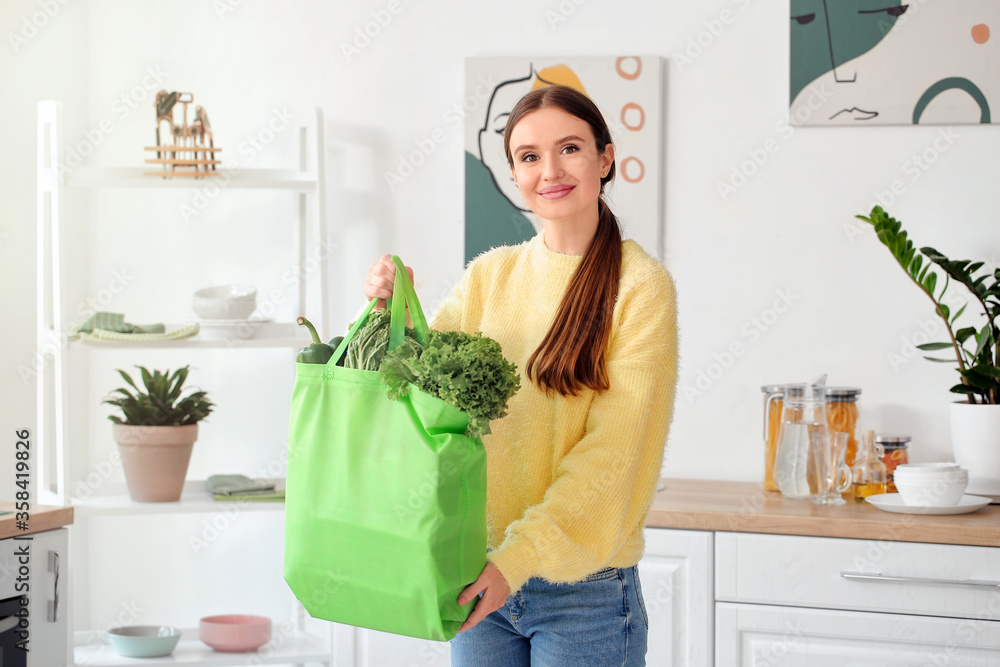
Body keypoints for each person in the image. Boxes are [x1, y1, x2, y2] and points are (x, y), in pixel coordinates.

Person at [364, 84, 678, 666]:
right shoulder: (491, 274)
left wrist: (516, 560)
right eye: (529, 156)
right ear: (513, 173)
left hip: (585, 595)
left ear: (605, 158)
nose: (550, 170)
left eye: (570, 149)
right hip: (479, 577)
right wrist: (394, 313)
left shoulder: (640, 286)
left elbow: (611, 455)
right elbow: (427, 396)